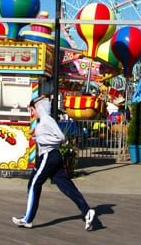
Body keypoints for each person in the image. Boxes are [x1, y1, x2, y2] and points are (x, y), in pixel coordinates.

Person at [12, 96, 96, 231]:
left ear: (39, 108)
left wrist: (40, 138)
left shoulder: (46, 120)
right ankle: (87, 211)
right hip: (51, 157)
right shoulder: (42, 121)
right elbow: (48, 137)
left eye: (32, 110)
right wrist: (37, 136)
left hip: (48, 156)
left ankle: (27, 219)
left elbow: (61, 138)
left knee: (34, 184)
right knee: (66, 186)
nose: (31, 113)